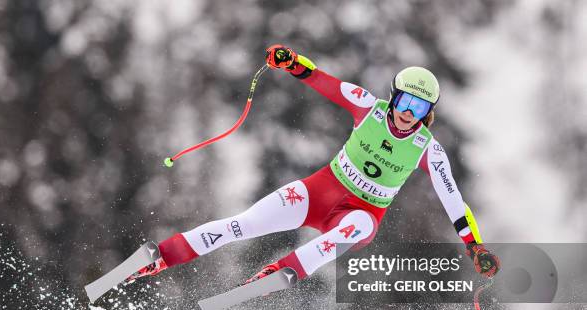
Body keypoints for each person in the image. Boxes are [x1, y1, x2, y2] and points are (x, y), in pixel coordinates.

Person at [129, 45, 500, 283]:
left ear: (428, 113)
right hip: (319, 191)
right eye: (404, 102)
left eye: (419, 109)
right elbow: (322, 80)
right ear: (394, 97)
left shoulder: (428, 150)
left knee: (354, 227)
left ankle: (284, 269)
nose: (407, 114)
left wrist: (474, 246)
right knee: (242, 224)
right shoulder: (367, 107)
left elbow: (454, 202)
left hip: (360, 213)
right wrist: (291, 63)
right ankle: (164, 255)